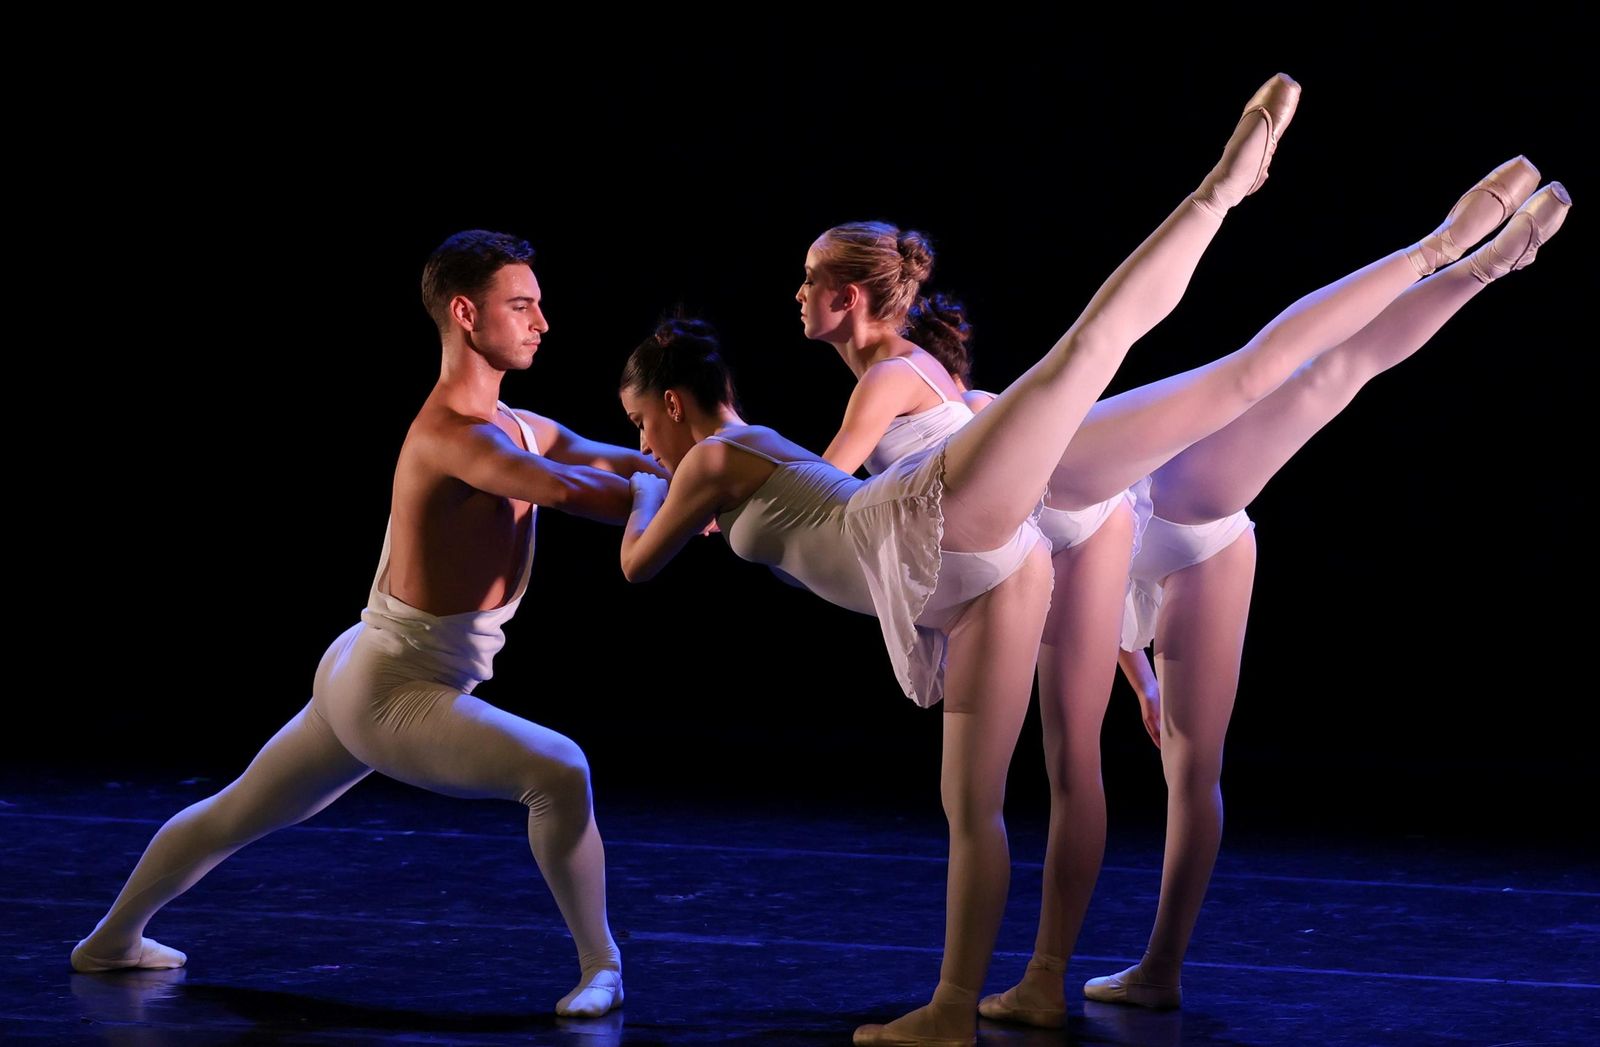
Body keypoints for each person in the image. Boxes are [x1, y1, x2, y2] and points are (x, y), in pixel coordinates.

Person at [69, 230, 661, 1019]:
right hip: (392, 691)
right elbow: (563, 488)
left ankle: (110, 941)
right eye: (521, 305)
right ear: (465, 313)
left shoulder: (516, 421)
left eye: (539, 304)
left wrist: (704, 472)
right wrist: (681, 504)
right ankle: (603, 966)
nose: (542, 322)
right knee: (559, 772)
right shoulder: (454, 435)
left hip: (366, 663)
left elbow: (608, 460)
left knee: (238, 810)